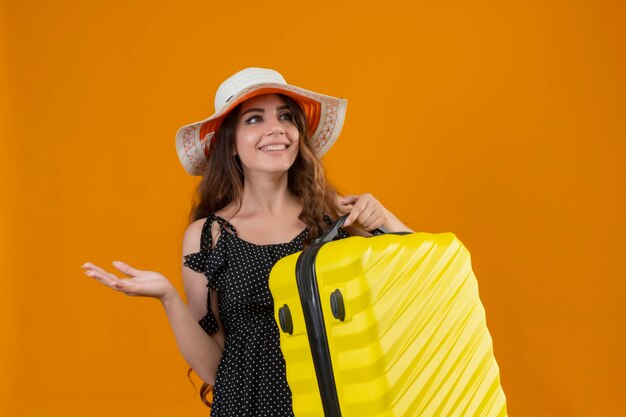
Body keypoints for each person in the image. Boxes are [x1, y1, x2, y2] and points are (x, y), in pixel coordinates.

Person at [82, 67, 412, 416]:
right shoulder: (207, 237)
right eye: (254, 119)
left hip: (334, 404)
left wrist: (386, 220)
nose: (276, 128)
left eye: (286, 116)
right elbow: (213, 369)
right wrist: (167, 297)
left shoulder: (333, 217)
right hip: (247, 407)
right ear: (232, 145)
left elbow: (423, 279)